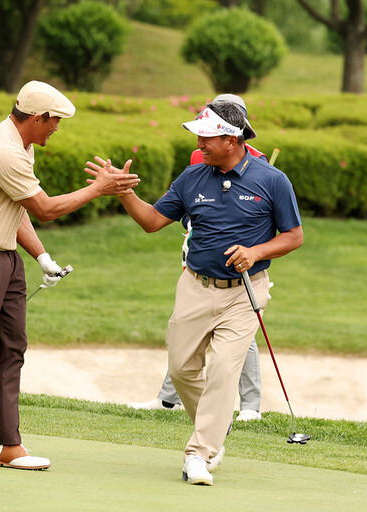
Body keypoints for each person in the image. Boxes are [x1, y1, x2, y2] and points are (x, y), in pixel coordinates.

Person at [85, 101, 302, 486]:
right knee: (182, 368)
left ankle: (198, 454)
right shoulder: (192, 177)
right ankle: (216, 426)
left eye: (207, 135)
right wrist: (121, 193)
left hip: (244, 293)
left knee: (223, 370)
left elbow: (293, 236)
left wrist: (255, 252)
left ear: (231, 137)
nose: (199, 141)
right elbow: (152, 221)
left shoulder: (272, 180)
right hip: (195, 286)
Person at [0, 80, 140, 470]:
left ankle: (4, 444)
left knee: (11, 347)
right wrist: (98, 189)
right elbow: (44, 208)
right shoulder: (3, 150)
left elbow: (18, 208)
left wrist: (41, 256)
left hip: (5, 256)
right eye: (54, 121)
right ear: (38, 117)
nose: (57, 128)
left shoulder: (23, 146)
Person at [128, 94, 266, 422]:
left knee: (238, 337)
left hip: (240, 264)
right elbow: (192, 197)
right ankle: (168, 399)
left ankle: (250, 406)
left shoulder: (259, 164)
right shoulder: (198, 156)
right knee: (187, 337)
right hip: (198, 254)